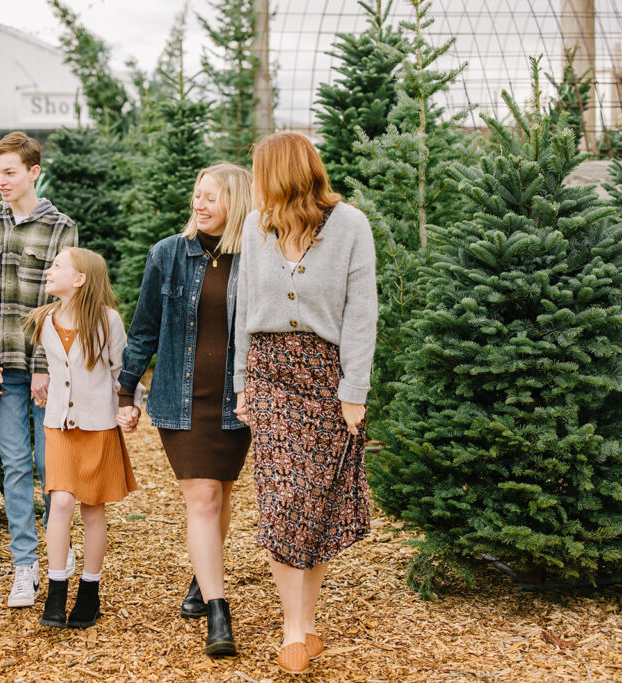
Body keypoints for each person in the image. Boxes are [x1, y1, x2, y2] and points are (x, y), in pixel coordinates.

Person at [233, 132, 377, 675]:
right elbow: (245, 307)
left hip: (325, 377)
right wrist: (242, 383)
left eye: (259, 171)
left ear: (283, 172)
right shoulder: (255, 225)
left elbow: (362, 314)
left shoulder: (350, 226)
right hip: (270, 374)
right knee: (281, 501)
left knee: (315, 503)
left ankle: (307, 624)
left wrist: (353, 392)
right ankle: (293, 628)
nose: (254, 182)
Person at [118, 162, 254, 657]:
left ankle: (204, 574)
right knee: (202, 499)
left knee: (220, 493)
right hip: (181, 395)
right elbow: (144, 328)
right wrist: (125, 392)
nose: (199, 204)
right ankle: (219, 611)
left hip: (236, 401)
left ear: (235, 202)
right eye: (197, 195)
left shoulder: (255, 257)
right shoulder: (168, 255)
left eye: (211, 197)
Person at [0, 131, 78, 608]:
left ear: (35, 171)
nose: (1, 181)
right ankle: (24, 566)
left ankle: (59, 548)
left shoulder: (61, 228)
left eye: (10, 172)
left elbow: (62, 300)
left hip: (46, 370)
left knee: (47, 464)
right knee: (14, 467)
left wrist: (42, 367)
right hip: (2, 370)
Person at [23, 247, 142, 629]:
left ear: (80, 280)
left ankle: (89, 592)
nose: (48, 270)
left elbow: (123, 371)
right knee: (59, 503)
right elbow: (54, 372)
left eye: (57, 266)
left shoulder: (107, 321)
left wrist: (130, 406)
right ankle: (56, 592)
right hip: (58, 425)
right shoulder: (44, 320)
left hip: (99, 425)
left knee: (92, 508)